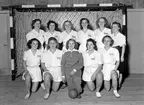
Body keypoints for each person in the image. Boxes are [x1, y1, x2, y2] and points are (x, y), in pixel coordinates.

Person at [111, 21, 126, 88]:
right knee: (113, 69)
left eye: (115, 27)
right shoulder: (111, 36)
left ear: (119, 28)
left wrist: (122, 56)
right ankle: (114, 83)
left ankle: (118, 85)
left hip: (119, 52)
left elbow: (123, 46)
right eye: (113, 27)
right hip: (112, 53)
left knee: (120, 70)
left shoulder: (122, 36)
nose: (113, 28)